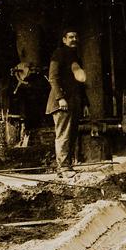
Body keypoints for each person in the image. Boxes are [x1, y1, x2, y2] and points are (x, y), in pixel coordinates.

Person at [45, 29, 87, 175]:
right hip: (61, 103)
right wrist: (60, 98)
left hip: (74, 102)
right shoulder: (59, 54)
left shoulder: (75, 57)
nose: (74, 39)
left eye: (76, 36)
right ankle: (64, 167)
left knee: (72, 135)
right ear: (64, 40)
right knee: (64, 135)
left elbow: (79, 83)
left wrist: (85, 103)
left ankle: (66, 167)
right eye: (70, 37)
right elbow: (53, 77)